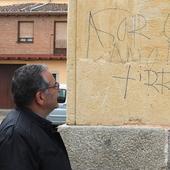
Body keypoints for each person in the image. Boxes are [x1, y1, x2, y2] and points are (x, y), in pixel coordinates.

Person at [0, 64, 72, 170]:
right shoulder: (15, 135)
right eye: (55, 85)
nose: (58, 89)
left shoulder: (34, 125)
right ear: (40, 97)